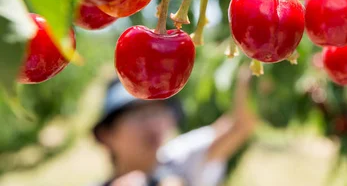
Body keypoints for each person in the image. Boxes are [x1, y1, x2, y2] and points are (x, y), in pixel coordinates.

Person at [92, 68, 256, 186]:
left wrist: (251, 66)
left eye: (157, 112)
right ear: (106, 135)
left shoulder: (179, 159)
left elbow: (239, 125)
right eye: (139, 114)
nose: (153, 123)